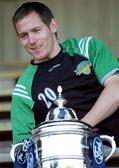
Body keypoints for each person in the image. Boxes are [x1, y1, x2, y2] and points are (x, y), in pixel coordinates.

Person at [11, 1, 119, 147]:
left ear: (52, 26)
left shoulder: (87, 47)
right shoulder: (23, 89)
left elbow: (116, 88)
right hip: (71, 161)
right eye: (24, 35)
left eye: (36, 30)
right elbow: (22, 145)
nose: (32, 41)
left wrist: (81, 128)